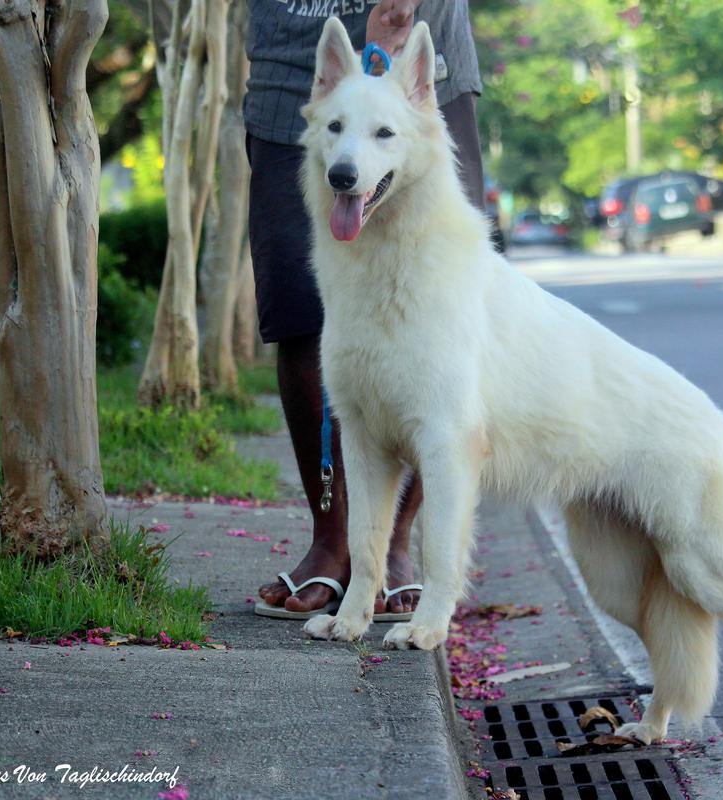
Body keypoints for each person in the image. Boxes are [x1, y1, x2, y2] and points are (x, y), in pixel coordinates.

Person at [245, 0, 485, 617]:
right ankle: (332, 541)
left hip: (416, 53)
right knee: (299, 314)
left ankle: (394, 543)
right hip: (291, 51)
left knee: (439, 303)